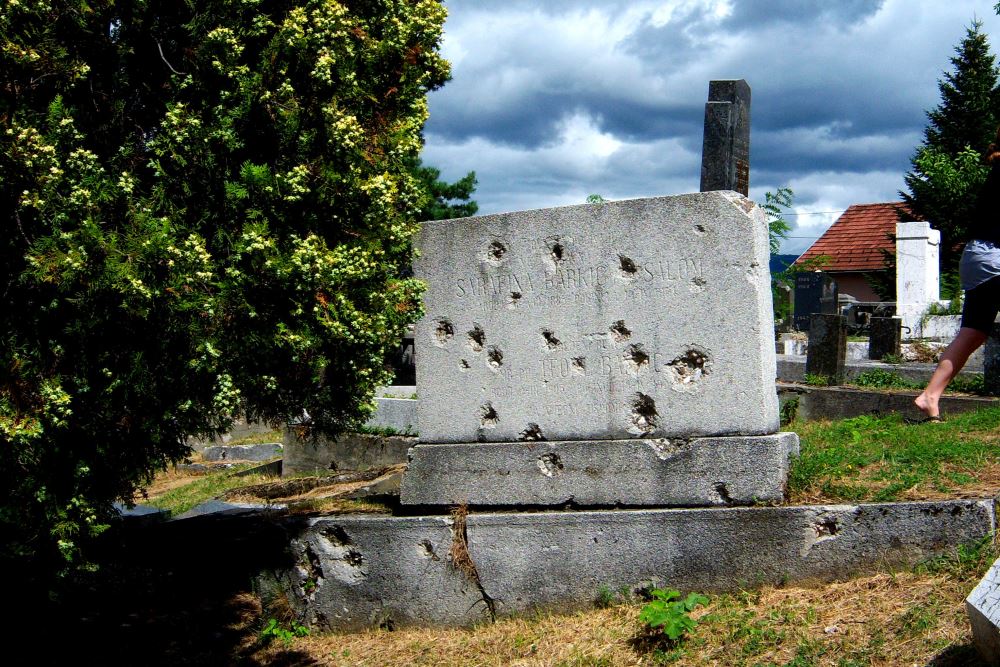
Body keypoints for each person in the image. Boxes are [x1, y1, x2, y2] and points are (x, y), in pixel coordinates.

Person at [915, 127, 1000, 421]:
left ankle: (930, 396)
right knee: (972, 332)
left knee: (973, 332)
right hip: (993, 256)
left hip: (979, 256)